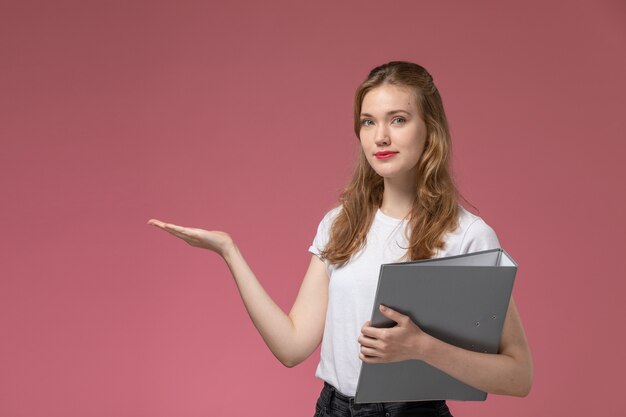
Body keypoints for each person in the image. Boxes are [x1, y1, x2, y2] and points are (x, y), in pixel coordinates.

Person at [147, 61, 533, 417]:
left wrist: (422, 347)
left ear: (430, 128)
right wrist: (228, 251)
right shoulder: (340, 224)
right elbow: (292, 346)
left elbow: (518, 376)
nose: (381, 136)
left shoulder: (468, 235)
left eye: (398, 119)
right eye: (368, 122)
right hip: (332, 408)